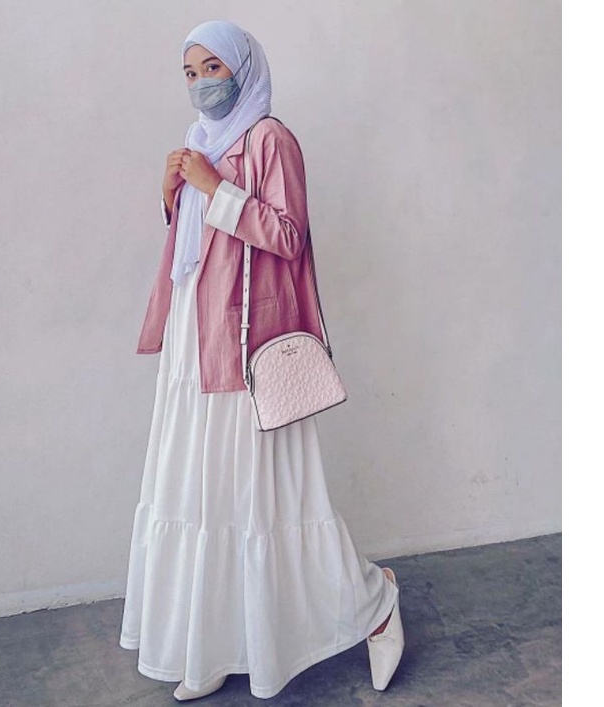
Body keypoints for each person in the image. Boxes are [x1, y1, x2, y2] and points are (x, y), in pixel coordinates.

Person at [119, 20, 405, 702]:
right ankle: (215, 640)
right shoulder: (197, 142)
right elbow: (193, 251)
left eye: (212, 67)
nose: (200, 84)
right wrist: (173, 196)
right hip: (194, 336)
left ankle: (375, 601)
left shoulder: (270, 137)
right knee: (201, 488)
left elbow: (287, 235)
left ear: (242, 68)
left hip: (246, 344)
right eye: (190, 72)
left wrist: (213, 187)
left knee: (264, 492)